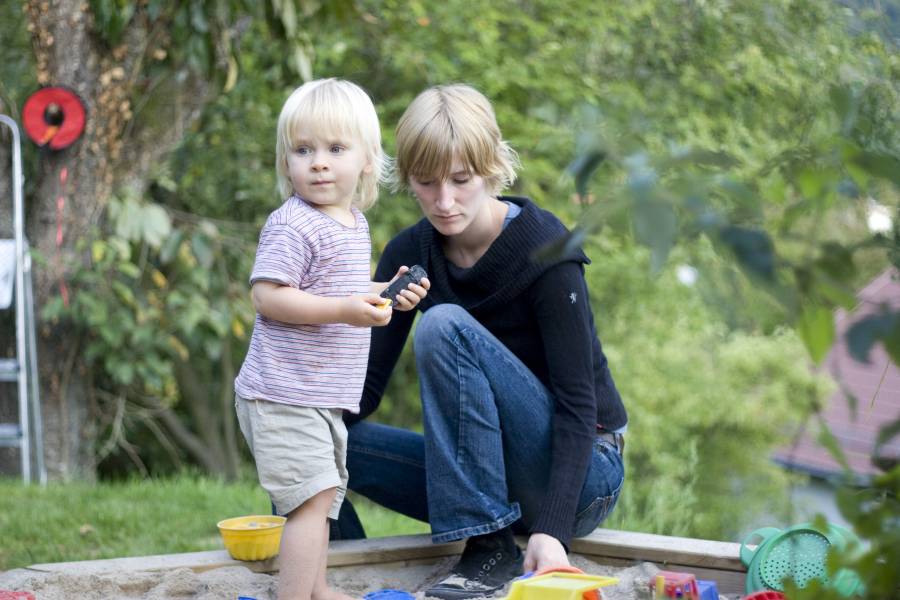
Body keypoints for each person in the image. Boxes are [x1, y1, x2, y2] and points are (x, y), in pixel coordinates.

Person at [340, 84, 628, 600]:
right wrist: (294, 429)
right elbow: (363, 394)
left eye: (461, 180)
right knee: (316, 440)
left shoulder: (547, 249)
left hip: (582, 476)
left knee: (442, 325)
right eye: (426, 183)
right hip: (484, 479)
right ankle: (331, 574)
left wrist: (554, 531)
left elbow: (578, 404)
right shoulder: (409, 251)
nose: (444, 202)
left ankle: (492, 547)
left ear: (492, 167)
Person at [233, 78, 428, 600]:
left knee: (324, 500)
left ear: (367, 159)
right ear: (286, 162)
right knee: (309, 503)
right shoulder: (292, 225)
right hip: (282, 393)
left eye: (335, 149)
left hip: (319, 396)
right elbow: (269, 296)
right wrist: (345, 309)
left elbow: (335, 291)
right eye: (304, 150)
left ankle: (315, 588)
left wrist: (383, 293)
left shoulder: (352, 223)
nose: (319, 162)